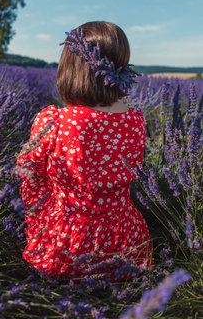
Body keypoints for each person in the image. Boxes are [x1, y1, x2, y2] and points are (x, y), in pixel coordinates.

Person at [16, 21, 153, 282]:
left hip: (69, 247)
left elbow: (29, 176)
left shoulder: (54, 122)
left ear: (71, 68)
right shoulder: (136, 119)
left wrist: (38, 225)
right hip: (128, 244)